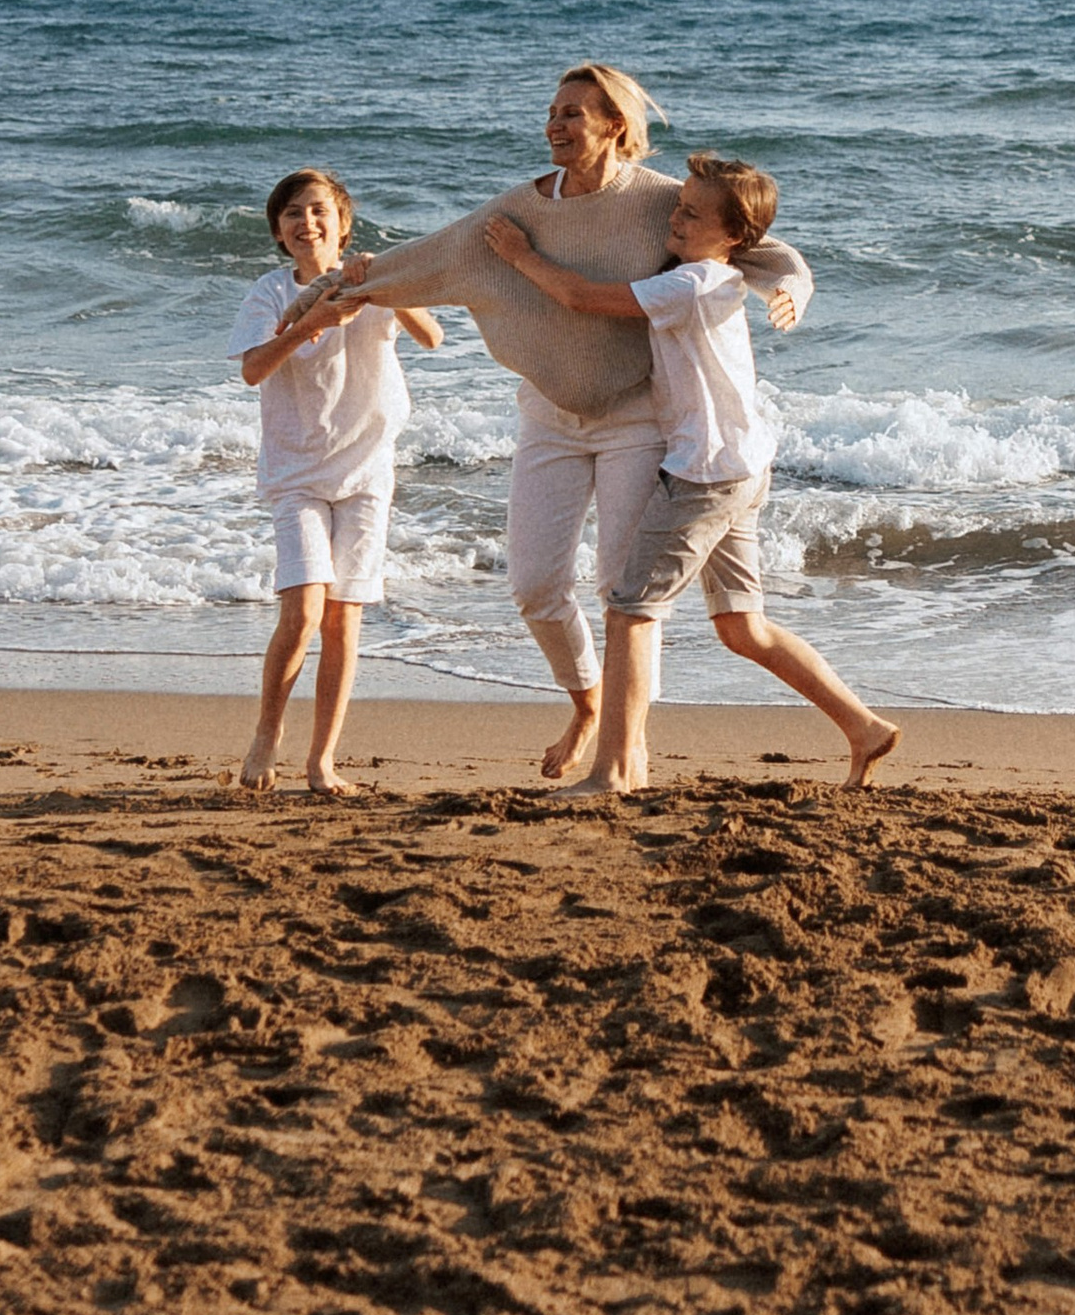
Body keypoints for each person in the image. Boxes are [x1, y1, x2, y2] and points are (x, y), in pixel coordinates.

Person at [278, 65, 813, 781]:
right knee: (534, 583)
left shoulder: (661, 204)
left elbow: (755, 245)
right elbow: (428, 258)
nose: (556, 125)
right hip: (550, 417)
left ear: (615, 125)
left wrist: (790, 287)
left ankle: (628, 753)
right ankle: (587, 701)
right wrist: (330, 286)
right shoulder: (515, 213)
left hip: (638, 416)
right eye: (553, 112)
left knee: (623, 588)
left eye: (575, 114)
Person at [485, 151, 899, 798]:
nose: (673, 220)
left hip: (703, 475)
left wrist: (518, 255)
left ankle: (615, 770)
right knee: (742, 627)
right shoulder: (717, 270)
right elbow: (774, 257)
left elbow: (582, 296)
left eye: (691, 214)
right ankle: (864, 726)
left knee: (629, 607)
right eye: (676, 206)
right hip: (744, 466)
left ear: (733, 235)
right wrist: (792, 284)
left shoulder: (694, 284)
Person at [231, 168, 442, 795]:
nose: (308, 223)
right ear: (278, 230)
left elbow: (432, 337)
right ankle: (267, 735)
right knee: (302, 611)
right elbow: (251, 371)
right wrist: (309, 321)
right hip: (296, 471)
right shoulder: (270, 294)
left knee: (344, 620)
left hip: (366, 469)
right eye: (293, 213)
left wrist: (386, 286)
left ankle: (322, 761)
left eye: (320, 211)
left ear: (343, 224)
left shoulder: (375, 281)